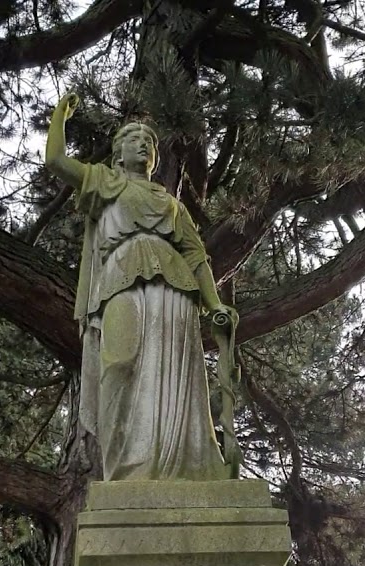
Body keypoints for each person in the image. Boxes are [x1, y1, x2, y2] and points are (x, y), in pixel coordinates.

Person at [45, 93, 237, 482]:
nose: (144, 144)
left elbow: (196, 255)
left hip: (174, 290)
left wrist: (215, 303)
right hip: (120, 279)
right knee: (118, 365)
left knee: (172, 381)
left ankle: (180, 466)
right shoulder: (104, 182)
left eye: (149, 142)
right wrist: (59, 119)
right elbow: (56, 162)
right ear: (117, 153)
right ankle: (124, 473)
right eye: (135, 139)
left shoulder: (171, 205)